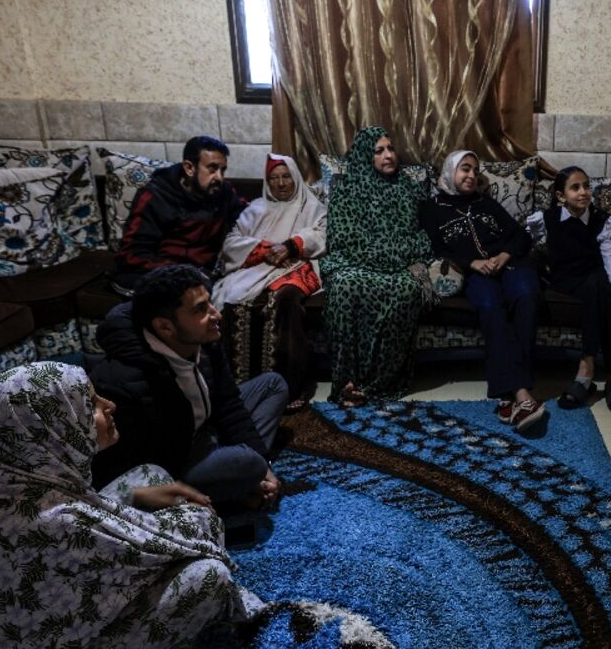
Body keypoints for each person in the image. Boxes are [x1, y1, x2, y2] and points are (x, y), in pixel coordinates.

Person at [0, 362, 265, 648]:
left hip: (27, 611)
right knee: (208, 576)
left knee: (147, 475)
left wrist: (136, 502)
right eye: (91, 406)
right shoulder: (57, 521)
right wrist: (202, 516)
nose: (109, 407)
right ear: (48, 430)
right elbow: (173, 541)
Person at [86, 264, 287, 507]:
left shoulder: (203, 339)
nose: (216, 315)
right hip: (172, 464)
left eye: (210, 303)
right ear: (164, 327)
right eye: (200, 309)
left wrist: (265, 468)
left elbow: (229, 403)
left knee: (272, 385)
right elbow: (119, 468)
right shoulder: (124, 380)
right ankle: (219, 497)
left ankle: (245, 481)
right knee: (248, 463)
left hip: (203, 429)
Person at [420, 150, 544, 431]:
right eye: (465, 169)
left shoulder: (485, 204)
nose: (472, 175)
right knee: (489, 305)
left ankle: (510, 398)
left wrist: (504, 256)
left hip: (511, 267)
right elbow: (434, 249)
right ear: (450, 172)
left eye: (475, 170)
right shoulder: (431, 209)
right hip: (475, 274)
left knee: (526, 295)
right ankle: (522, 394)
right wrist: (471, 262)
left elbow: (521, 236)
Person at [319, 126, 431, 406]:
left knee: (407, 289)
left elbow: (423, 239)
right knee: (345, 285)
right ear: (364, 156)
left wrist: (393, 254)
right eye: (379, 151)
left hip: (396, 270)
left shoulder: (409, 189)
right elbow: (344, 240)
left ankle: (378, 384)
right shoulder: (346, 189)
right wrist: (393, 253)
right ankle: (346, 381)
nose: (388, 155)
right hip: (354, 264)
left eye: (390, 149)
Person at [212, 154, 327, 402]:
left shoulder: (311, 206)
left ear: (295, 177)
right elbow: (232, 243)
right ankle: (240, 388)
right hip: (256, 268)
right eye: (274, 178)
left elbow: (323, 234)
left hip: (296, 267)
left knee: (284, 300)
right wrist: (265, 251)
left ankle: (288, 388)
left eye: (286, 176)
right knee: (233, 301)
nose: (282, 183)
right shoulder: (256, 209)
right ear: (267, 182)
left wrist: (292, 245)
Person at [526, 166, 611, 415]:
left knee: (603, 291)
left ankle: (587, 371)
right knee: (599, 288)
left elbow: (609, 258)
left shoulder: (600, 221)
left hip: (593, 276)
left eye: (586, 186)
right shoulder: (547, 218)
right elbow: (527, 240)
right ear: (561, 196)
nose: (583, 192)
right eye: (575, 187)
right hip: (564, 278)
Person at [111, 135, 247, 296]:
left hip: (203, 273)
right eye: (212, 168)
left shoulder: (223, 193)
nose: (219, 177)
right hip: (162, 272)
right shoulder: (156, 197)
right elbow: (132, 254)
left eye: (222, 170)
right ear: (189, 168)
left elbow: (247, 216)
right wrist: (181, 273)